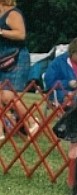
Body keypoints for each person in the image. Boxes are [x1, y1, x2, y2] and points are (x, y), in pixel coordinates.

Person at [0, 0, 38, 141]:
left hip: (16, 58)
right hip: (2, 60)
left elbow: (21, 34)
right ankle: (2, 132)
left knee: (8, 96)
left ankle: (32, 121)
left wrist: (1, 31)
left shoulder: (13, 13)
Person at [43, 37, 77, 107]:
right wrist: (67, 83)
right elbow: (49, 82)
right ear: (71, 52)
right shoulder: (58, 63)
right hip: (62, 94)